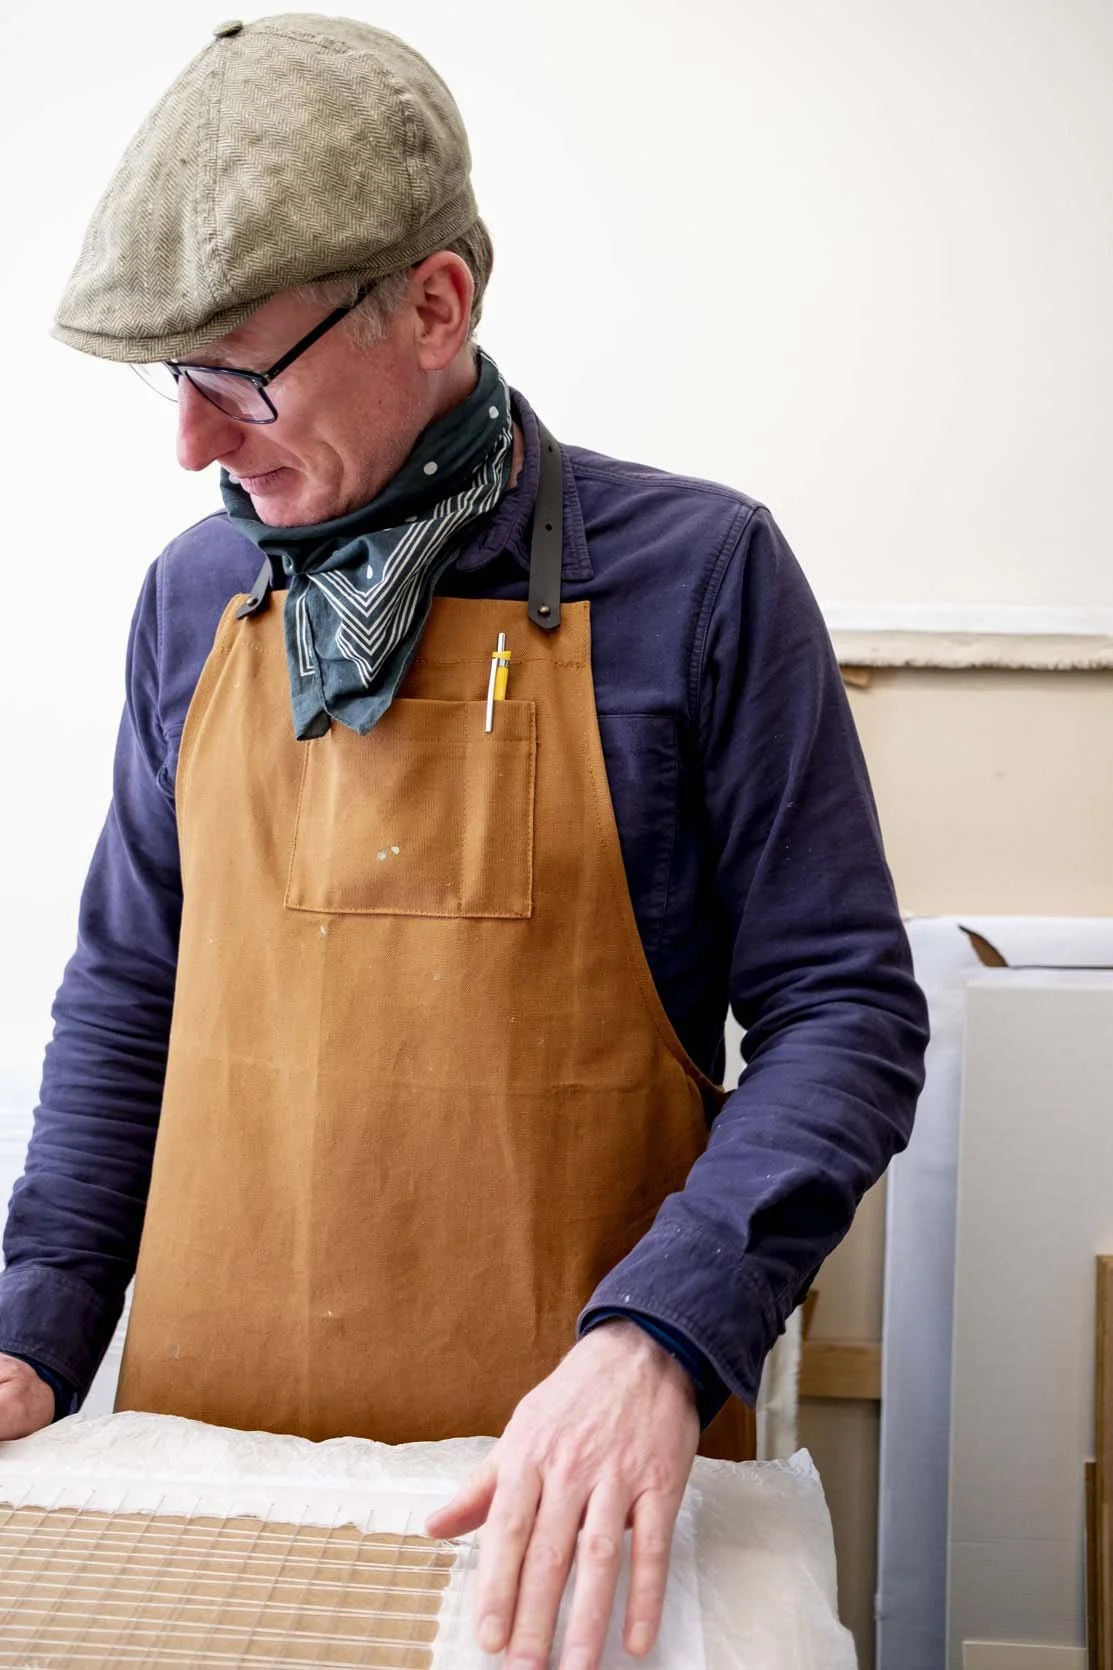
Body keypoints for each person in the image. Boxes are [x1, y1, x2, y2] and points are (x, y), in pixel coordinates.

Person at [0, 16, 927, 1669]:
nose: (194, 445)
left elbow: (847, 1013)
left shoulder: (702, 579)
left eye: (240, 374)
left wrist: (660, 1339)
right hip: (215, 1484)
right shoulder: (193, 601)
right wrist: (31, 1337)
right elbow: (129, 999)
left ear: (434, 304)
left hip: (562, 1496)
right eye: (176, 378)